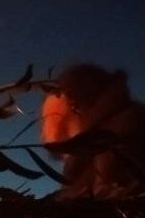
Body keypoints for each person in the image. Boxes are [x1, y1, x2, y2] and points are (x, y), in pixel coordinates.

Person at [41, 63, 145, 198]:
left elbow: (116, 197)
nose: (45, 130)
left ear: (75, 104)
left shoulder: (121, 132)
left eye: (54, 118)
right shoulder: (91, 153)